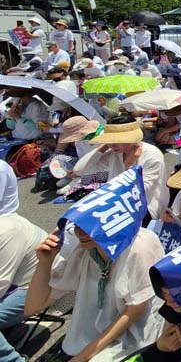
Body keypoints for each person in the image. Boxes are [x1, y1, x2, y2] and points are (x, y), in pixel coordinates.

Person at [25, 177, 166, 362]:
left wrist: (84, 356)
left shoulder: (140, 245)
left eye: (90, 225)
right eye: (77, 225)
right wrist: (44, 262)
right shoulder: (84, 250)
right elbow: (33, 307)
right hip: (89, 336)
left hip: (132, 336)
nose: (80, 232)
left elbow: (135, 310)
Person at [75, 114, 168, 221]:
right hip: (118, 203)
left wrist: (130, 167)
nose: (113, 145)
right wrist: (103, 147)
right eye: (110, 140)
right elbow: (80, 170)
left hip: (145, 207)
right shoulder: (115, 153)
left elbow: (138, 192)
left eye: (118, 140)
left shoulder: (152, 154)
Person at [0, 212, 46, 362]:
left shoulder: (7, 231)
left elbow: (1, 285)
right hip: (13, 283)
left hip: (38, 286)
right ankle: (11, 331)